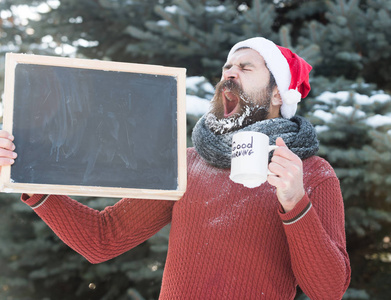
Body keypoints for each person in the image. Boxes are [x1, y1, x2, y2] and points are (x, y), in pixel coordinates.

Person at [0, 37, 351, 299]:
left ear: (279, 94)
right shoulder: (189, 162)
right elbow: (101, 239)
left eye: (245, 68)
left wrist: (295, 202)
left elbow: (329, 289)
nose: (230, 73)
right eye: (227, 67)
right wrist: (29, 176)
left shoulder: (311, 173)